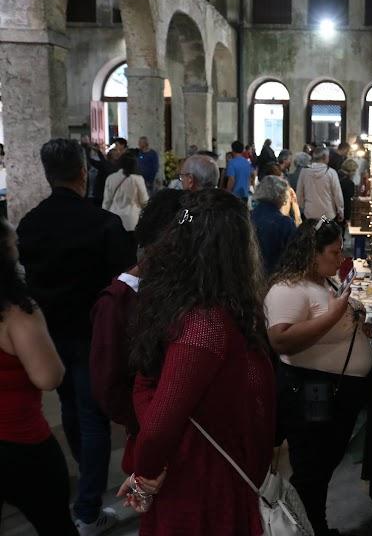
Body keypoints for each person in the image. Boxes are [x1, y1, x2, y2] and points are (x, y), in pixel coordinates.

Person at [119, 189, 275, 535]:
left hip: (202, 467)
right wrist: (146, 473)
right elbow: (161, 418)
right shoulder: (207, 323)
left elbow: (147, 385)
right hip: (203, 481)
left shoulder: (189, 308)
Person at [16, 138, 136, 534]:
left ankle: (87, 485)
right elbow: (125, 282)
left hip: (51, 334)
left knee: (71, 408)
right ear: (84, 173)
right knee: (93, 418)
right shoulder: (102, 223)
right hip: (92, 336)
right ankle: (87, 509)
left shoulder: (30, 224)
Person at [265, 219, 372, 536]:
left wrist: (355, 319)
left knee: (321, 466)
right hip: (311, 392)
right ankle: (308, 528)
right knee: (312, 468)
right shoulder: (287, 289)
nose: (340, 258)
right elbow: (282, 340)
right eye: (334, 252)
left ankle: (314, 525)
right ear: (312, 253)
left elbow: (331, 321)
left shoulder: (321, 280)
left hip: (333, 391)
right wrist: (335, 316)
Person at [90, 189, 183, 476]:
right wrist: (144, 422)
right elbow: (108, 385)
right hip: (151, 429)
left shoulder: (178, 286)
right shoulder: (118, 300)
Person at [0, 219, 77, 535]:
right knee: (56, 526)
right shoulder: (17, 313)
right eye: (14, 244)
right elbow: (49, 377)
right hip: (21, 446)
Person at [251, 176, 297, 275]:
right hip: (275, 277)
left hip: (250, 275)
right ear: (280, 195)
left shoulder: (248, 216)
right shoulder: (284, 223)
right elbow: (295, 256)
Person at [102, 151, 149, 236]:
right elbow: (144, 201)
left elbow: (106, 202)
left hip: (114, 220)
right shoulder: (138, 179)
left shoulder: (110, 178)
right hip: (132, 221)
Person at [297, 147, 344, 223]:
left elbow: (299, 193)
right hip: (328, 214)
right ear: (325, 157)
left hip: (310, 213)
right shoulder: (331, 172)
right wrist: (340, 210)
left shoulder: (304, 172)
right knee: (326, 233)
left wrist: (302, 207)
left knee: (312, 233)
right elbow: (337, 194)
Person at [82, 134, 111, 207]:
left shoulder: (103, 164)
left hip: (97, 194)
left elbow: (92, 161)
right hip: (99, 193)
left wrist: (91, 150)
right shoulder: (106, 163)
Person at [338, 158, 358, 228]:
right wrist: (348, 218)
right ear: (351, 170)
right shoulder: (349, 183)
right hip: (342, 213)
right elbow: (348, 202)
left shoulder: (335, 175)